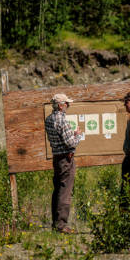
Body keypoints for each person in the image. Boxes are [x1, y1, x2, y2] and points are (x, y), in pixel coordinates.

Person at [45, 93, 82, 234]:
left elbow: (61, 138)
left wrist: (70, 134)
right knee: (65, 191)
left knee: (58, 190)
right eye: (66, 103)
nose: (68, 105)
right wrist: (77, 135)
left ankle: (56, 222)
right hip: (66, 159)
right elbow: (70, 143)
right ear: (61, 106)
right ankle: (61, 225)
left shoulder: (49, 119)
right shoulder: (63, 121)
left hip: (57, 157)